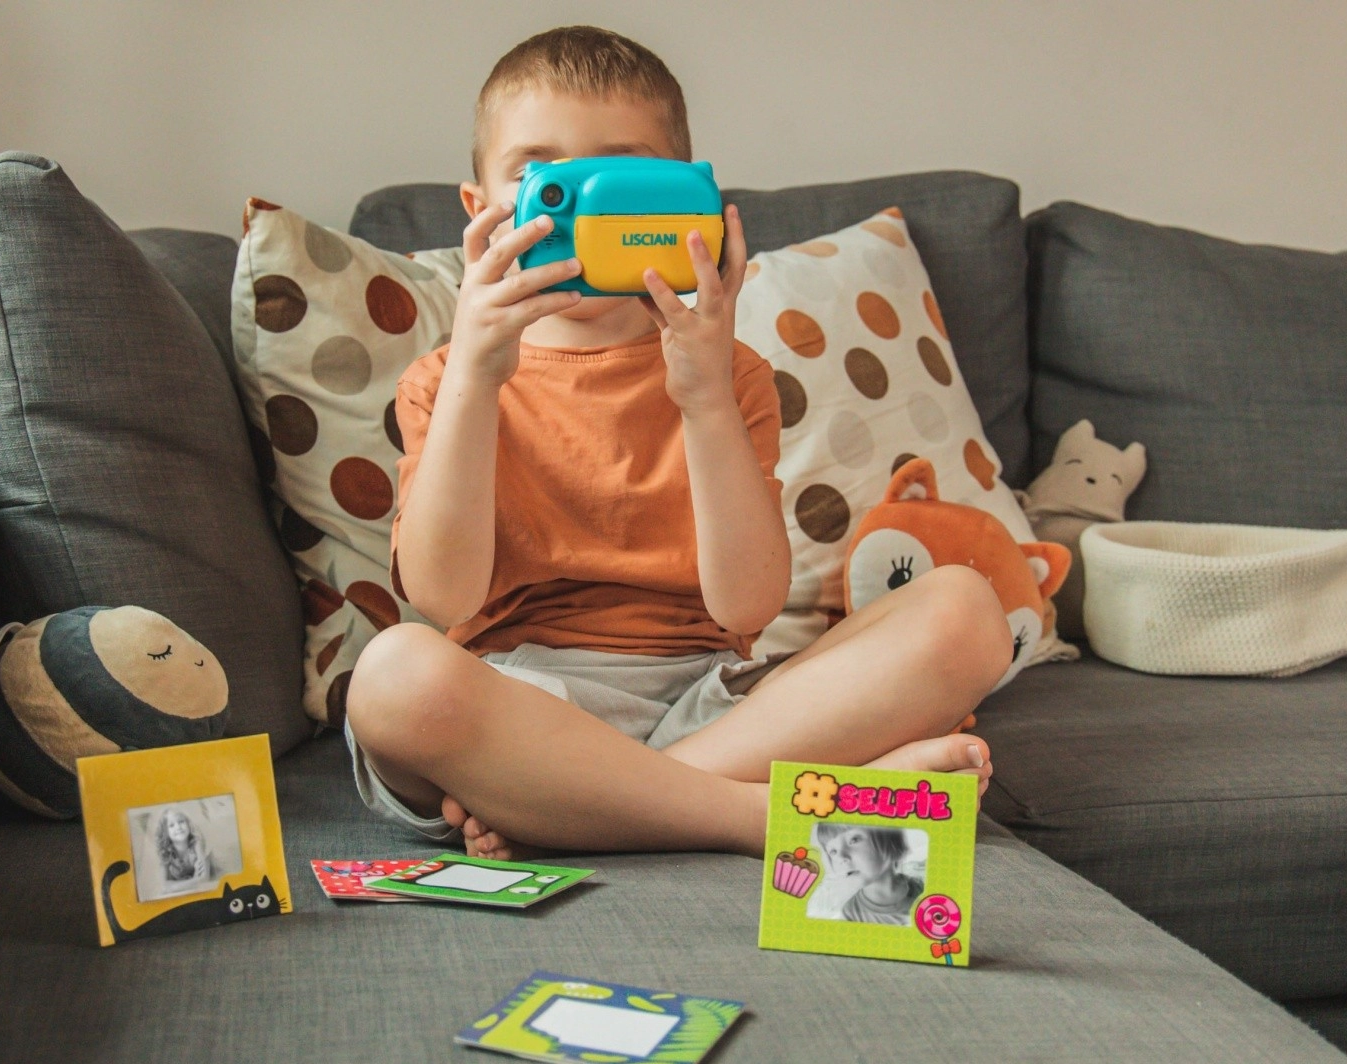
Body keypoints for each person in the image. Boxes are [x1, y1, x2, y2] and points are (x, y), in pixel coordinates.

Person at [345, 25, 1009, 860]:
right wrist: (478, 378)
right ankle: (760, 815)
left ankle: (587, 806)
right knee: (395, 677)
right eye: (543, 177)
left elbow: (747, 607)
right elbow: (443, 600)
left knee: (966, 611)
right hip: (519, 704)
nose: (585, 209)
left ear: (682, 205)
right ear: (479, 211)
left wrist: (704, 400)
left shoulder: (728, 376)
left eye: (620, 176)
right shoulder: (446, 380)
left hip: (713, 703)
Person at [806, 825, 924, 926]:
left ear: (889, 840)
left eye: (854, 840)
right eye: (833, 851)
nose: (840, 857)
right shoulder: (850, 914)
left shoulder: (922, 886)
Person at [156, 808, 212, 885]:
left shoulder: (196, 843)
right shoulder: (165, 852)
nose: (178, 827)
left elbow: (204, 878)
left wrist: (175, 886)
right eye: (171, 825)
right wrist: (195, 879)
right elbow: (164, 886)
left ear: (188, 824)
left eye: (181, 822)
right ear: (165, 832)